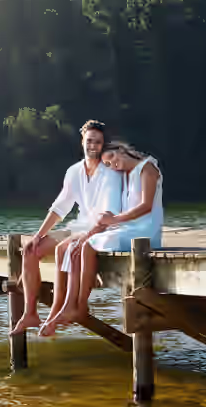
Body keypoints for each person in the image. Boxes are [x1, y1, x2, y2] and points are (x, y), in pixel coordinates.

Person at [9, 120, 123, 335]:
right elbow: (60, 208)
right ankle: (30, 313)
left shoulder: (110, 174)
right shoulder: (74, 172)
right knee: (29, 250)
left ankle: (60, 311)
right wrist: (38, 235)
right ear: (82, 142)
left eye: (98, 142)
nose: (93, 146)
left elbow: (109, 214)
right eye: (89, 141)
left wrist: (85, 236)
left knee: (66, 247)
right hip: (78, 226)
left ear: (103, 145)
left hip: (101, 230)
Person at [39, 141, 163, 336]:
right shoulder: (124, 176)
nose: (113, 165)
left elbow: (146, 206)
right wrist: (95, 228)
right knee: (74, 245)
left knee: (88, 245)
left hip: (144, 231)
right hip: (125, 229)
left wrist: (113, 219)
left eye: (112, 158)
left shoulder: (148, 169)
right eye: (107, 164)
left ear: (121, 150)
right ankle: (67, 305)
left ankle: (79, 306)